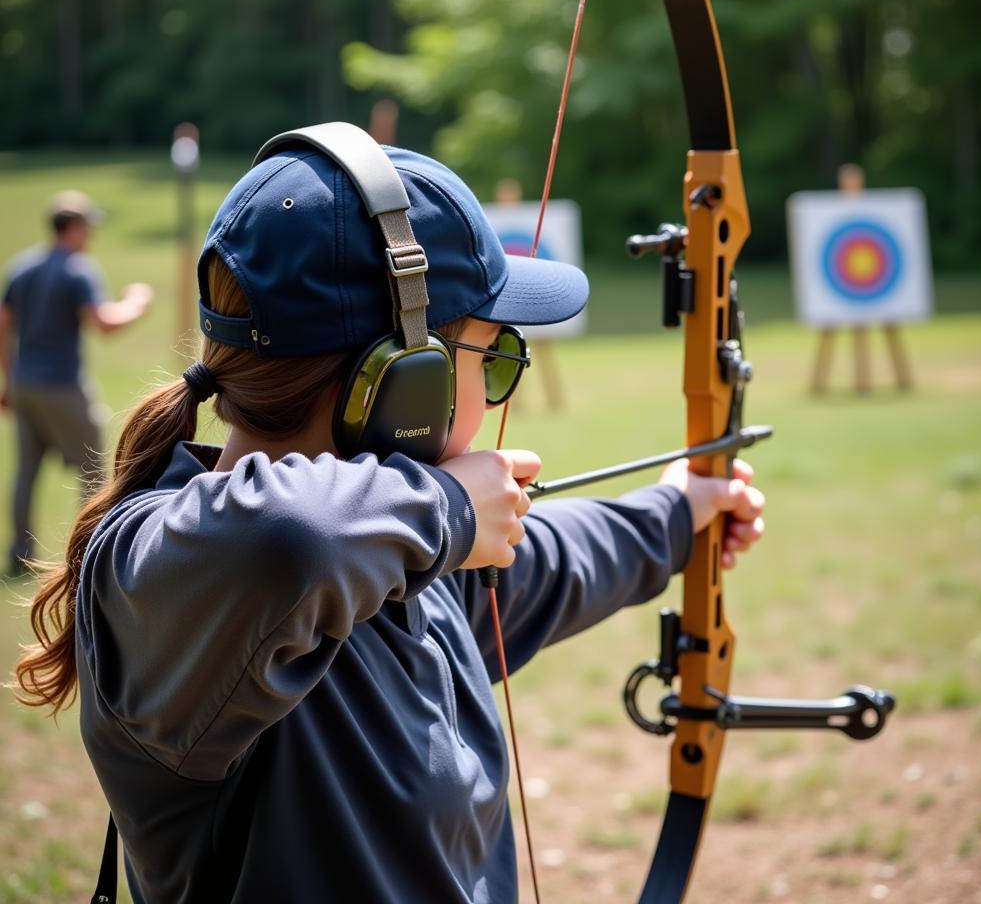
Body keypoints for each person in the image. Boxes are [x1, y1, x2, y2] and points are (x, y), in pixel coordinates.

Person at [14, 126, 764, 903]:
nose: (504, 383)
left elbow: (548, 559)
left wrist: (681, 509)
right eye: (495, 356)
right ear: (407, 385)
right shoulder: (163, 573)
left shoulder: (400, 553)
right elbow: (288, 544)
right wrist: (450, 506)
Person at [0, 190, 153, 577]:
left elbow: (4, 325)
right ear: (75, 227)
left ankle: (19, 553)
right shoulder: (78, 269)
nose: (91, 235)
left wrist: (9, 379)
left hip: (25, 385)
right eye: (88, 226)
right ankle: (90, 554)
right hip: (63, 386)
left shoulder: (21, 268)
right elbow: (103, 323)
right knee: (93, 472)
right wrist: (136, 301)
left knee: (26, 473)